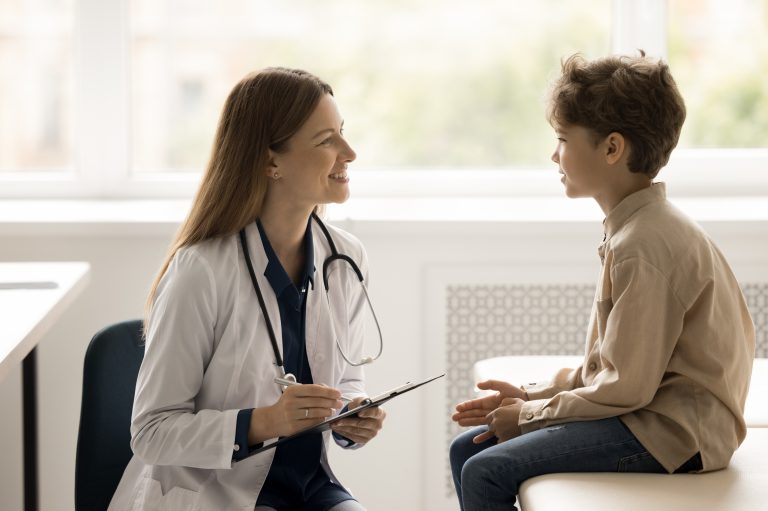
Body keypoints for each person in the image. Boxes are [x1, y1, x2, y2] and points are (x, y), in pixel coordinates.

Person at [449, 51, 756, 511]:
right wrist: (534, 395)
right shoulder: (638, 227)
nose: (554, 154)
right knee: (467, 449)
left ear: (612, 149)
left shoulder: (645, 243)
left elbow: (625, 388)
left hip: (676, 434)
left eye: (562, 139)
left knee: (484, 467)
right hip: (648, 414)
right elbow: (610, 367)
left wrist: (529, 417)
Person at [108, 68, 386, 511]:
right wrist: (261, 423)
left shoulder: (345, 258)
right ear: (270, 161)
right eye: (326, 140)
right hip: (216, 491)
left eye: (343, 134)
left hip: (309, 486)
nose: (349, 153)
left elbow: (347, 376)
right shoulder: (201, 270)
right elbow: (151, 432)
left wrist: (353, 414)